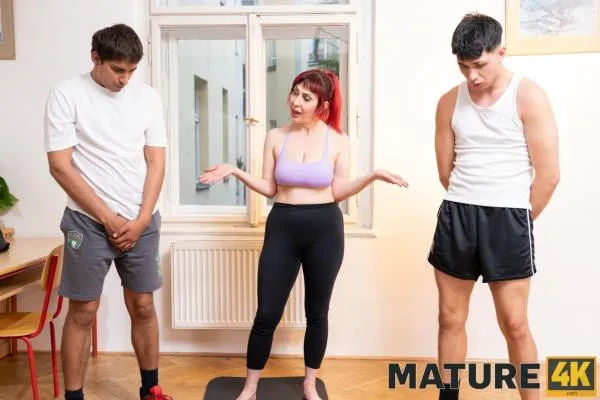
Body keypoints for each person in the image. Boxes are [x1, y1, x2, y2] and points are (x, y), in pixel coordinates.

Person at [199, 68, 408, 400]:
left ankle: (310, 384)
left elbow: (338, 191)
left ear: (322, 105)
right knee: (267, 313)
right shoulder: (275, 137)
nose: (295, 102)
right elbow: (270, 188)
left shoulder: (338, 140)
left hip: (325, 229)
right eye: (294, 93)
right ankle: (250, 387)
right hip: (282, 226)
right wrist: (235, 171)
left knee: (317, 313)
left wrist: (372, 176)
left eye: (306, 97)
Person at [428, 13, 560, 400]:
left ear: (501, 52)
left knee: (515, 324)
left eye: (480, 65)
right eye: (463, 66)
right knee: (449, 317)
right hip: (458, 214)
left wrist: (517, 219)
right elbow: (445, 171)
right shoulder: (448, 102)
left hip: (508, 218)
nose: (472, 76)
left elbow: (549, 176)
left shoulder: (528, 96)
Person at [44, 24, 172, 400]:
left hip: (141, 221)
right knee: (84, 309)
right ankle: (74, 397)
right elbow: (60, 166)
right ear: (95, 57)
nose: (124, 79)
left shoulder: (147, 98)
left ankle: (151, 389)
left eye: (131, 71)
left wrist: (143, 219)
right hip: (87, 222)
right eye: (117, 70)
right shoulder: (66, 94)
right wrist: (108, 218)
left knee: (143, 305)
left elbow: (156, 161)